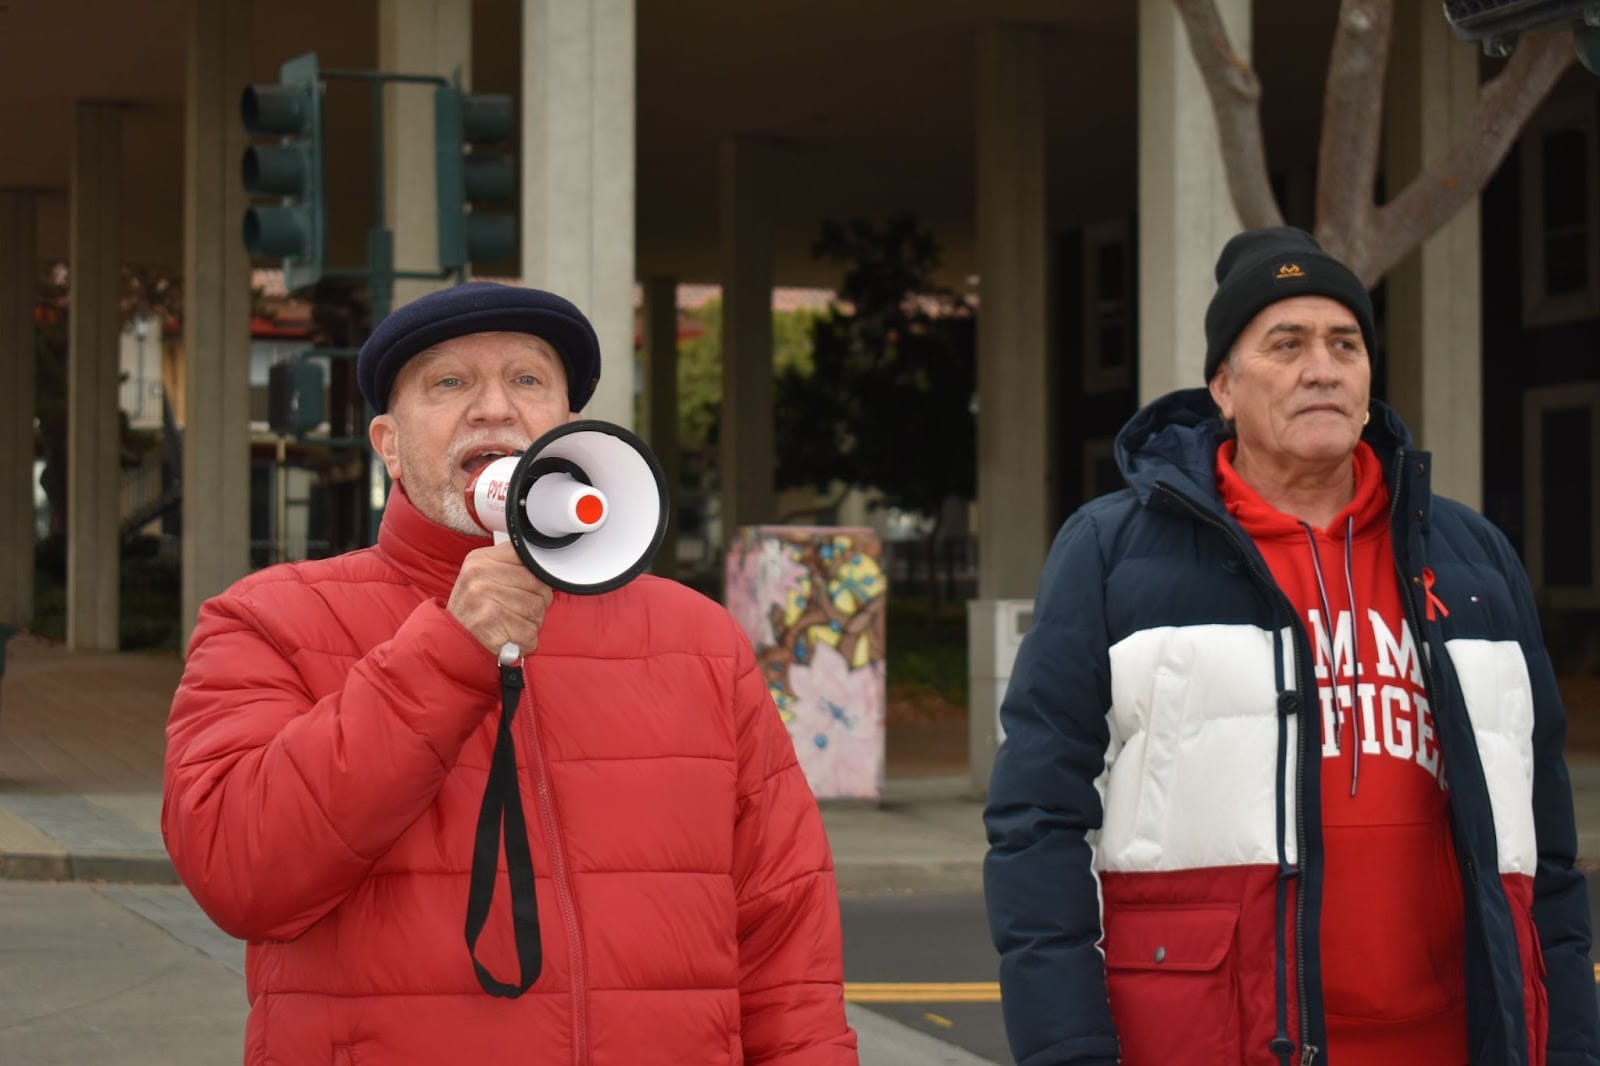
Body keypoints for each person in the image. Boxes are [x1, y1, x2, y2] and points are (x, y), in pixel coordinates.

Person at [162, 282, 859, 1065]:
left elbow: (785, 938)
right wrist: (446, 653)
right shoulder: (270, 622)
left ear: (567, 427)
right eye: (449, 382)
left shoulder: (699, 641)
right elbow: (241, 873)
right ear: (388, 444)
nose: (494, 409)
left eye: (527, 380)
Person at [983, 227, 1600, 1066]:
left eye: (1345, 343)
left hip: (1456, 1042)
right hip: (1214, 1041)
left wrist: (1568, 1046)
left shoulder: (1475, 558)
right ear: (1223, 388)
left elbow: (1548, 846)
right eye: (1287, 343)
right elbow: (1036, 823)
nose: (1323, 367)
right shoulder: (1111, 555)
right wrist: (1068, 1049)